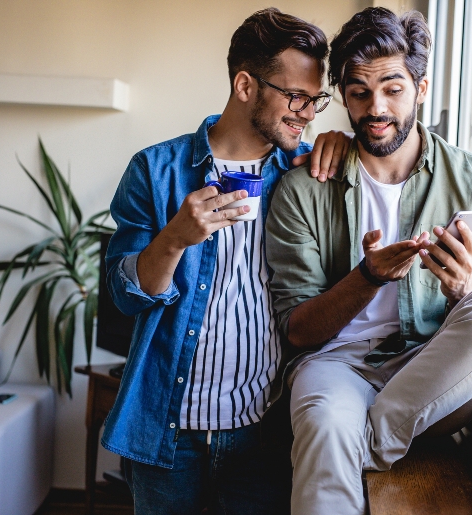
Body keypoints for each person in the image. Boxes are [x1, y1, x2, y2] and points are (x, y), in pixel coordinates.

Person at [265, 7, 472, 515]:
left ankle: (367, 442)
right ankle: (360, 438)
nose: (375, 107)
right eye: (358, 91)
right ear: (343, 96)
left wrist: (460, 289)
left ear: (421, 89)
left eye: (393, 89)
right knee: (322, 422)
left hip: (431, 371)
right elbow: (297, 332)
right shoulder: (303, 190)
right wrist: (367, 277)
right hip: (336, 366)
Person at [101, 8, 351, 515]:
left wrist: (342, 146)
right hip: (167, 435)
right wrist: (173, 239)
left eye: (316, 98)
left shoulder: (307, 174)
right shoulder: (155, 170)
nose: (308, 113)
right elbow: (123, 294)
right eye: (296, 97)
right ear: (245, 85)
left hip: (264, 432)